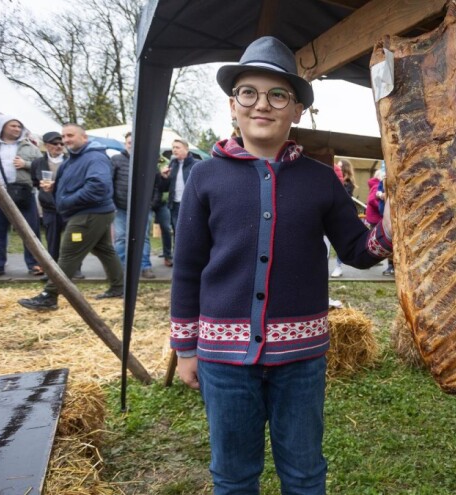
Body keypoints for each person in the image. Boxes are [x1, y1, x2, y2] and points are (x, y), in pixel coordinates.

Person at [171, 36, 393, 494]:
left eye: (278, 95)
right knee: (233, 475)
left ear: (295, 110)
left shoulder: (319, 180)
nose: (262, 105)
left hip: (301, 360)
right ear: (234, 106)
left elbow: (357, 250)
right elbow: (188, 267)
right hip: (224, 360)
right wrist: (186, 347)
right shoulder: (205, 177)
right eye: (248, 93)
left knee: (305, 472)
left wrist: (390, 224)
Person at [17, 123, 125, 310]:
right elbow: (74, 182)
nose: (66, 140)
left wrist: (67, 200)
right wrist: (55, 188)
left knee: (68, 254)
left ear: (84, 138)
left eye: (70, 136)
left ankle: (49, 296)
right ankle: (119, 288)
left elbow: (98, 186)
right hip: (91, 212)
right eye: (63, 136)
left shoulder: (94, 158)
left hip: (88, 214)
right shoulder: (75, 158)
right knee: (104, 250)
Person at [0, 116, 43, 278]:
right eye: (13, 126)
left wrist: (25, 164)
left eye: (19, 126)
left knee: (30, 229)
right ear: (3, 126)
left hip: (23, 192)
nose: (17, 129)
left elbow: (41, 166)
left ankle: (35, 264)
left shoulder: (29, 147)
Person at [111, 132, 155, 278]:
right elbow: (109, 181)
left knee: (144, 238)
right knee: (121, 238)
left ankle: (145, 266)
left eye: (134, 142)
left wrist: (152, 201)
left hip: (142, 208)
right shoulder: (116, 159)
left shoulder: (148, 160)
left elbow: (155, 184)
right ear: (125, 144)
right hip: (121, 207)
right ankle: (121, 268)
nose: (132, 145)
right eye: (129, 142)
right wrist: (112, 202)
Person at [158, 138, 198, 267]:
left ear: (186, 149)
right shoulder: (172, 164)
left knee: (192, 232)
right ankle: (178, 259)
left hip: (191, 205)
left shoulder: (196, 164)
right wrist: (163, 177)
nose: (174, 150)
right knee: (177, 231)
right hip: (174, 204)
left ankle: (191, 259)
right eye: (173, 147)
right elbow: (164, 187)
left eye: (178, 147)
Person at [330, 158, 357, 277]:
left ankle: (338, 266)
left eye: (341, 167)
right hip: (330, 213)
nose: (338, 168)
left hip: (341, 215)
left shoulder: (348, 183)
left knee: (339, 243)